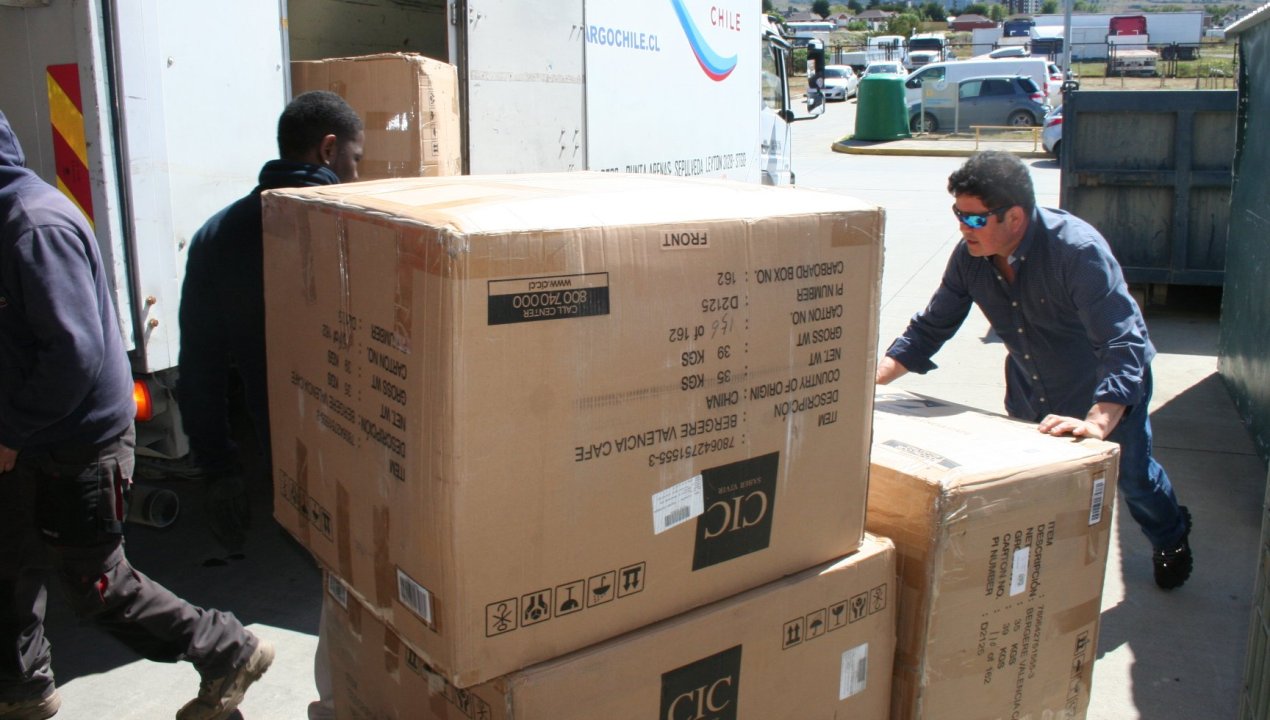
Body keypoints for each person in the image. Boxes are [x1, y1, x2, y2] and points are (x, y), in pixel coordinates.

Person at [0, 109, 272, 719]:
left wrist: (11, 431)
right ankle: (21, 686)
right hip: (31, 433)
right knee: (9, 560)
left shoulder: (32, 227)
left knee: (97, 584)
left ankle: (227, 650)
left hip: (77, 440)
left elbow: (73, 354)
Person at [875, 150, 1193, 590]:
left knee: (1136, 480)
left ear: (1014, 218)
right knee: (1037, 491)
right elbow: (930, 328)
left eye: (974, 218)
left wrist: (1098, 422)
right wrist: (869, 381)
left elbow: (1122, 343)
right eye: (958, 215)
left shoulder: (1076, 252)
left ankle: (1172, 537)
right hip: (1032, 394)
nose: (963, 227)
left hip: (1106, 394)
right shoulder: (970, 257)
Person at [176, 91, 363, 720]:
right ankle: (346, 702)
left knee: (333, 578)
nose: (357, 174)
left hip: (286, 454)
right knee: (355, 588)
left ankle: (342, 699)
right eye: (355, 159)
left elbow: (200, 364)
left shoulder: (217, 234)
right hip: (364, 449)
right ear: (328, 149)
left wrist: (217, 466)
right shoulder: (355, 223)